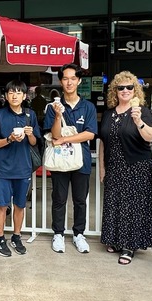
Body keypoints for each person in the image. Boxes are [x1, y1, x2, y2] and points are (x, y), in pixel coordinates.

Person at [99, 71, 152, 265]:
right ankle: (115, 240)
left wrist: (138, 121)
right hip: (114, 166)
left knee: (132, 207)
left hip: (136, 167)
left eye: (129, 87)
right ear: (115, 91)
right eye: (120, 87)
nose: (125, 90)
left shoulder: (142, 111)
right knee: (115, 204)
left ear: (135, 90)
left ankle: (129, 245)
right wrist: (102, 169)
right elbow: (102, 143)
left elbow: (150, 136)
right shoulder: (109, 113)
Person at [43, 63, 97, 254]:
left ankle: (78, 234)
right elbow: (54, 136)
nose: (69, 82)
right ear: (61, 81)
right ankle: (58, 234)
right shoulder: (53, 107)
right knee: (58, 198)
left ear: (79, 81)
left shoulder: (88, 106)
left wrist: (66, 139)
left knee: (80, 199)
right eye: (65, 78)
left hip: (80, 160)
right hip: (60, 161)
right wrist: (58, 116)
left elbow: (90, 134)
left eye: (73, 78)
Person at [0, 80, 41, 257]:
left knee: (20, 205)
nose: (14, 95)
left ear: (25, 96)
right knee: (2, 205)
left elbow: (34, 143)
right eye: (11, 92)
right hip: (3, 168)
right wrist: (10, 138)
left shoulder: (30, 115)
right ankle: (0, 238)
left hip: (23, 167)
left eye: (19, 92)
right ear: (6, 95)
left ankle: (16, 236)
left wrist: (30, 134)